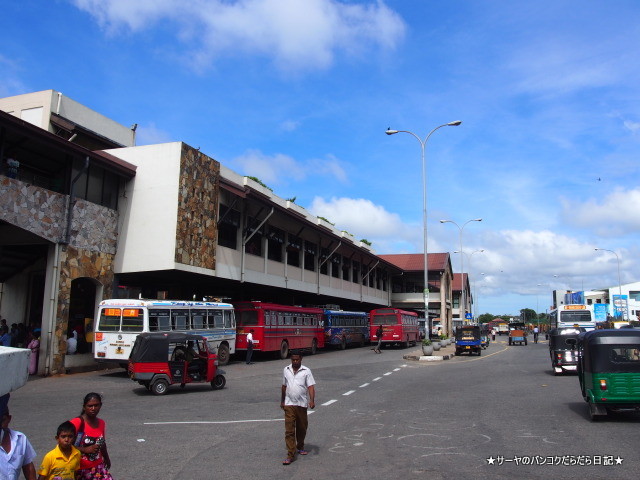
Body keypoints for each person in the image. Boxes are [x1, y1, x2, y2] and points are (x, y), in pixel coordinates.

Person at [280, 352, 315, 465]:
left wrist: (312, 400)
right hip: (289, 404)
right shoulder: (286, 370)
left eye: (297, 360)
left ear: (301, 359)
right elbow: (284, 386)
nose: (295, 362)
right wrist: (282, 401)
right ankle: (290, 454)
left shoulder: (306, 371)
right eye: (293, 360)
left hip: (301, 404)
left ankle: (300, 445)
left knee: (302, 427)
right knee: (289, 430)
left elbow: (310, 386)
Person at [69, 393, 112, 480]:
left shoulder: (101, 423)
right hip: (79, 470)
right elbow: (64, 445)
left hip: (98, 467)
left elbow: (102, 443)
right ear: (84, 407)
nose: (93, 409)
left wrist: (107, 459)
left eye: (96, 405)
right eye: (90, 406)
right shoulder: (76, 423)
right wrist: (85, 449)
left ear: (100, 405)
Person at [0, 393, 37, 480]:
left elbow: (28, 467)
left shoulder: (20, 438)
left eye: (2, 420)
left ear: (9, 419)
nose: (0, 425)